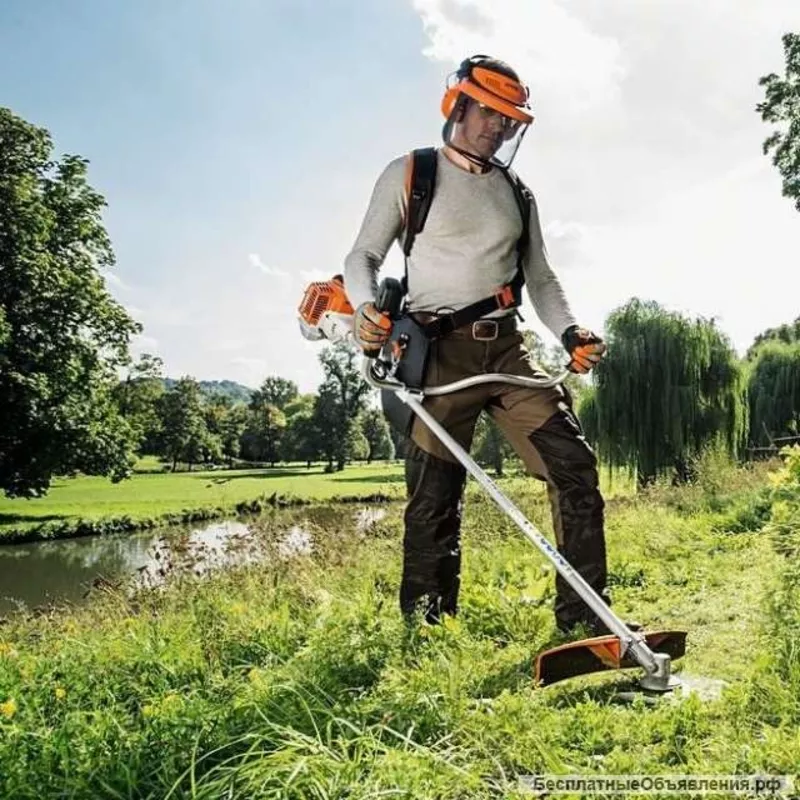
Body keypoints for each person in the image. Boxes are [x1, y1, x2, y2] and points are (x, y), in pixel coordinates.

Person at [343, 54, 638, 636]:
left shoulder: (516, 193)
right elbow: (364, 256)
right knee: (433, 496)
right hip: (436, 353)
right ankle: (429, 630)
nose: (498, 127)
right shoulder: (413, 173)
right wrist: (364, 308)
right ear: (457, 105)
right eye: (488, 112)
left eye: (508, 119)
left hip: (507, 352)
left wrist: (570, 331)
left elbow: (542, 278)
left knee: (573, 468)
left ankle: (585, 620)